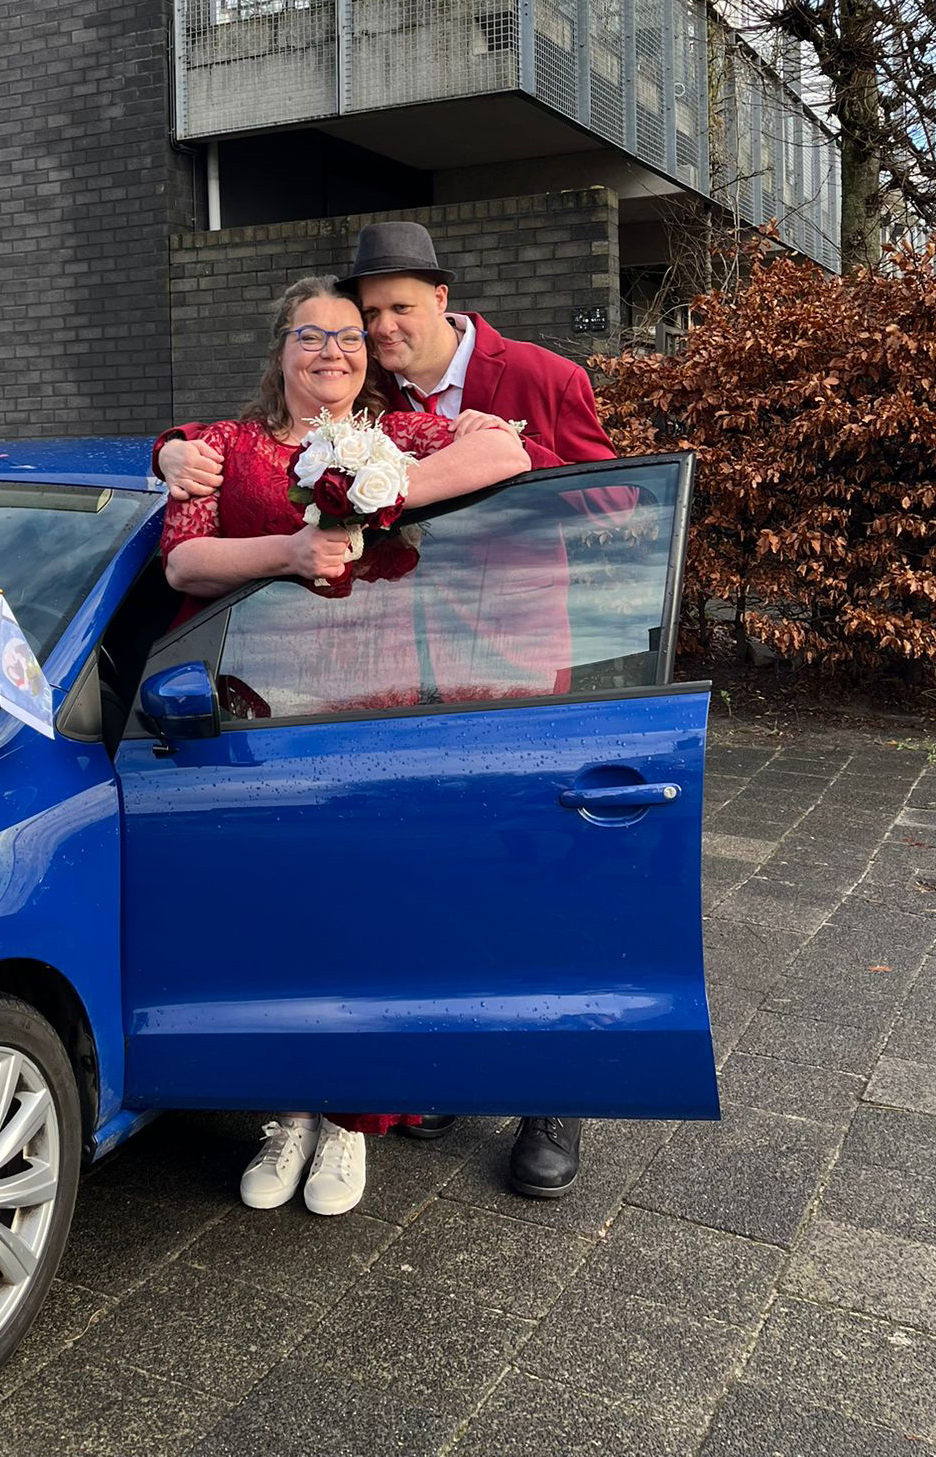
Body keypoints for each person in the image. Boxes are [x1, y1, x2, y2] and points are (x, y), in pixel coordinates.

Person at [156, 222, 621, 1201]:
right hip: (393, 668)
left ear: (442, 300)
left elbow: (608, 502)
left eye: (393, 312)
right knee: (423, 881)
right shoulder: (368, 405)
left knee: (517, 873)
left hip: (516, 657)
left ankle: (546, 1097)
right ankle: (425, 1068)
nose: (374, 332)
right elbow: (208, 488)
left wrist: (373, 498)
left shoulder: (530, 378)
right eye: (364, 319)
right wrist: (170, 453)